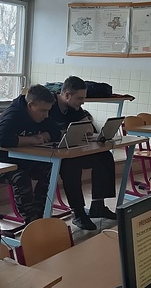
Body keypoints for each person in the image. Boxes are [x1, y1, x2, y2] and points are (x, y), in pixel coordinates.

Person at [0, 84, 61, 224]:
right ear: (30, 105)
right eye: (43, 111)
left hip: (16, 159)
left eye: (48, 111)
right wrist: (33, 139)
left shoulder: (40, 114)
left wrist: (45, 135)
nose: (46, 115)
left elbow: (56, 132)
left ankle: (40, 215)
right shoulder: (13, 113)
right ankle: (31, 221)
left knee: (49, 170)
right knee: (20, 177)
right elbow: (3, 140)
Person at [50, 76, 117, 230]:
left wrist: (82, 130)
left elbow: (89, 127)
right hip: (52, 154)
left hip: (70, 149)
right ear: (67, 95)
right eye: (80, 98)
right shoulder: (49, 104)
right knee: (70, 165)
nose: (83, 102)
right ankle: (78, 213)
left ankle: (98, 205)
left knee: (105, 156)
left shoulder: (74, 107)